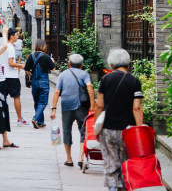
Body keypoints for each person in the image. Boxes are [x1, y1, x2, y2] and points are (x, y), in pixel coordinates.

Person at [94, 48, 144, 191]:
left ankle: (112, 188)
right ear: (128, 64)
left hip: (108, 128)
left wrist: (96, 126)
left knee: (111, 162)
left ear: (112, 64)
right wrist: (139, 130)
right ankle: (123, 187)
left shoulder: (106, 79)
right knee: (125, 162)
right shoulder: (134, 81)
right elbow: (137, 108)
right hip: (127, 130)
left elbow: (99, 105)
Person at [50, 53, 94, 167]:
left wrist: (53, 109)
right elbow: (89, 87)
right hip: (81, 107)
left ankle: (69, 159)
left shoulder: (63, 75)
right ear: (82, 65)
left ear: (69, 64)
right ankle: (80, 157)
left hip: (66, 107)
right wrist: (93, 106)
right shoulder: (84, 74)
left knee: (66, 131)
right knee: (84, 132)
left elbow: (57, 92)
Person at [24, 38, 55, 129]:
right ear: (44, 46)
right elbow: (53, 69)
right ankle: (35, 118)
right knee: (43, 102)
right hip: (43, 82)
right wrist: (52, 61)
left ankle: (40, 122)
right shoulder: (46, 56)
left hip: (34, 82)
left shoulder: (31, 55)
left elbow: (26, 69)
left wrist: (30, 76)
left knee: (37, 102)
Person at [0, 28, 28, 125]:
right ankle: (20, 119)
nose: (17, 36)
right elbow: (11, 63)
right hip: (11, 76)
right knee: (16, 97)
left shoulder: (3, 46)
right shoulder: (10, 47)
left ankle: (2, 119)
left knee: (3, 98)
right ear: (11, 36)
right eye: (16, 34)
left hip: (2, 76)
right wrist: (21, 65)